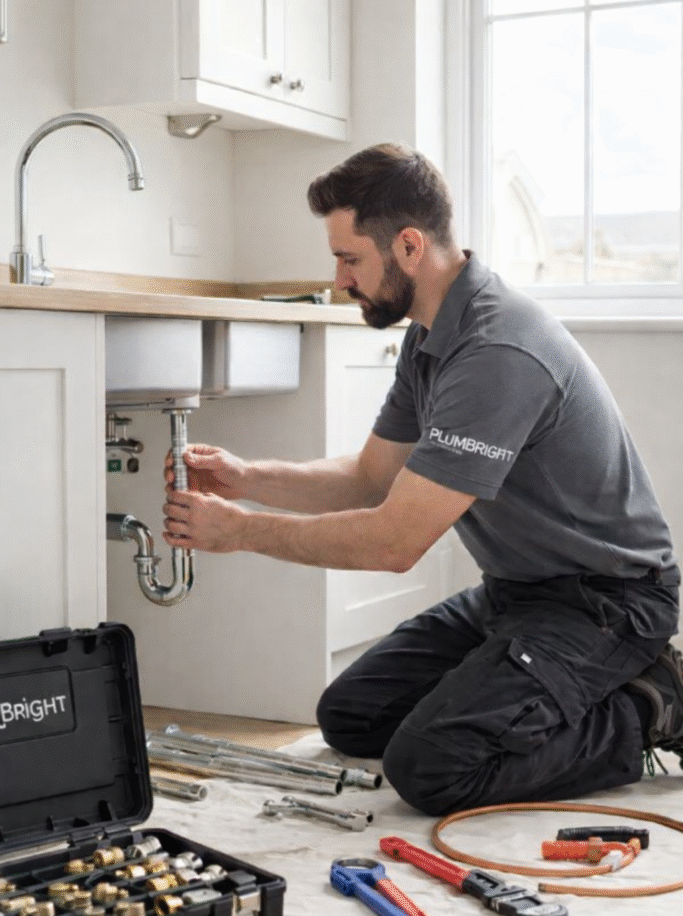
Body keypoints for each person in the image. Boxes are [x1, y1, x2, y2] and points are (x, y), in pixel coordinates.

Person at [163, 143, 682, 816]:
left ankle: (651, 706)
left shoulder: (497, 350)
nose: (339, 279)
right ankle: (559, 688)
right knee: (351, 717)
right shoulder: (430, 335)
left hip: (605, 604)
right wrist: (245, 478)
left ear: (408, 246)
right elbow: (371, 476)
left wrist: (241, 533)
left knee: (432, 769)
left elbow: (392, 542)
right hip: (517, 593)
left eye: (349, 259)